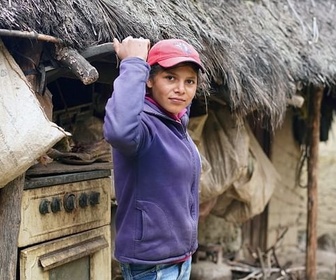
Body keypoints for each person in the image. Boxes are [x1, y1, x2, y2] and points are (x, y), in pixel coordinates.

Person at [103, 36, 204, 280]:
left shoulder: (175, 125)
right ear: (149, 79)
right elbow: (118, 132)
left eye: (189, 81)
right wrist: (135, 64)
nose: (181, 89)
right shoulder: (144, 128)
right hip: (151, 266)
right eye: (170, 78)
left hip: (181, 259)